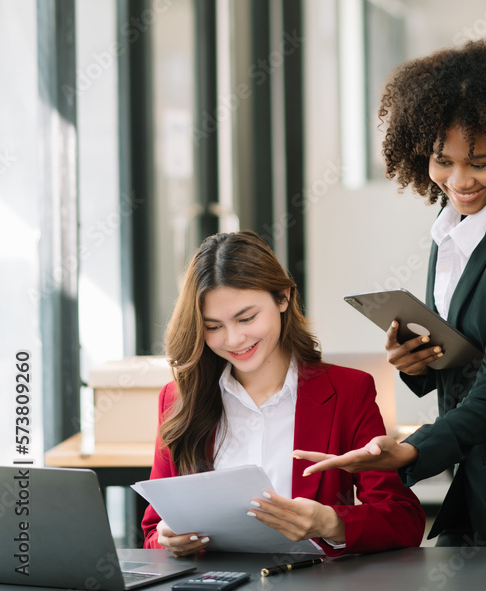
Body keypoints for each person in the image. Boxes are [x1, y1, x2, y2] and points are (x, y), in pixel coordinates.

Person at [294, 41, 486, 591]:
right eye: (444, 161)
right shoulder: (453, 227)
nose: (460, 180)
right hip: (478, 486)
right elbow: (466, 356)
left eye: (480, 163)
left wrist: (413, 450)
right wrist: (415, 364)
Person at [141, 229, 425, 557]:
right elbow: (152, 532)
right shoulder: (177, 399)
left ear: (283, 298)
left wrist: (332, 523)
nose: (233, 339)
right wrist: (168, 540)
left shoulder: (348, 392)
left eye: (246, 318)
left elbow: (405, 519)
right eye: (213, 326)